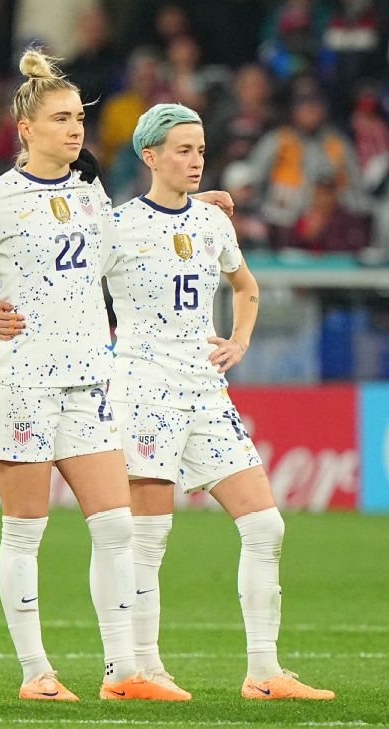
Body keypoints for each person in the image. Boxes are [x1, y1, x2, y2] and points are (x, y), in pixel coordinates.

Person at [0, 49, 185, 702]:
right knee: (25, 530)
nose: (75, 127)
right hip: (23, 379)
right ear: (25, 129)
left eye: (78, 117)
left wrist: (194, 209)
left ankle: (122, 671)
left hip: (90, 376)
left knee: (116, 527)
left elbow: (126, 257)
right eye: (60, 118)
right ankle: (37, 672)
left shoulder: (90, 194)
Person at [100, 103, 334, 700]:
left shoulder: (212, 224)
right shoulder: (117, 225)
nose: (196, 159)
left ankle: (264, 673)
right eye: (182, 150)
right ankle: (140, 673)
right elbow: (69, 282)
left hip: (205, 390)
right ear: (149, 156)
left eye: (201, 149)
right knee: (148, 539)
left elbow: (246, 286)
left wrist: (239, 340)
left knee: (265, 526)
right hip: (145, 389)